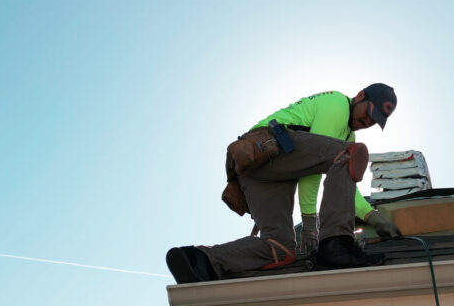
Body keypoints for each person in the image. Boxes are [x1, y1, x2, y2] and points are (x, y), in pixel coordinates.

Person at [166, 84, 403, 284]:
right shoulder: (337, 105)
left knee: (281, 249)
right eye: (369, 113)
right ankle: (336, 245)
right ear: (361, 95)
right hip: (265, 148)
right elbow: (313, 170)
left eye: (375, 121)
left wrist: (372, 217)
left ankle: (201, 260)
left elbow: (344, 182)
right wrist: (310, 223)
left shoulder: (346, 138)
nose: (368, 121)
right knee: (352, 154)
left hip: (258, 171)